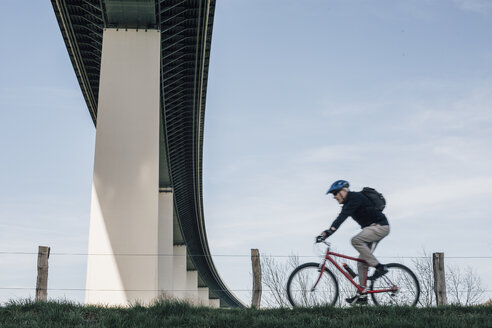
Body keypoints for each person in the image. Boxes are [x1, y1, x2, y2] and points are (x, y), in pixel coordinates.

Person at [317, 179, 390, 305]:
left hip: (379, 227)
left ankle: (379, 267)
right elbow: (340, 218)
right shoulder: (348, 203)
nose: (334, 197)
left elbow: (342, 217)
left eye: (335, 193)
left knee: (356, 240)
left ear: (343, 191)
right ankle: (362, 295)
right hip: (371, 229)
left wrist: (329, 232)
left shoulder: (355, 197)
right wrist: (327, 232)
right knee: (362, 263)